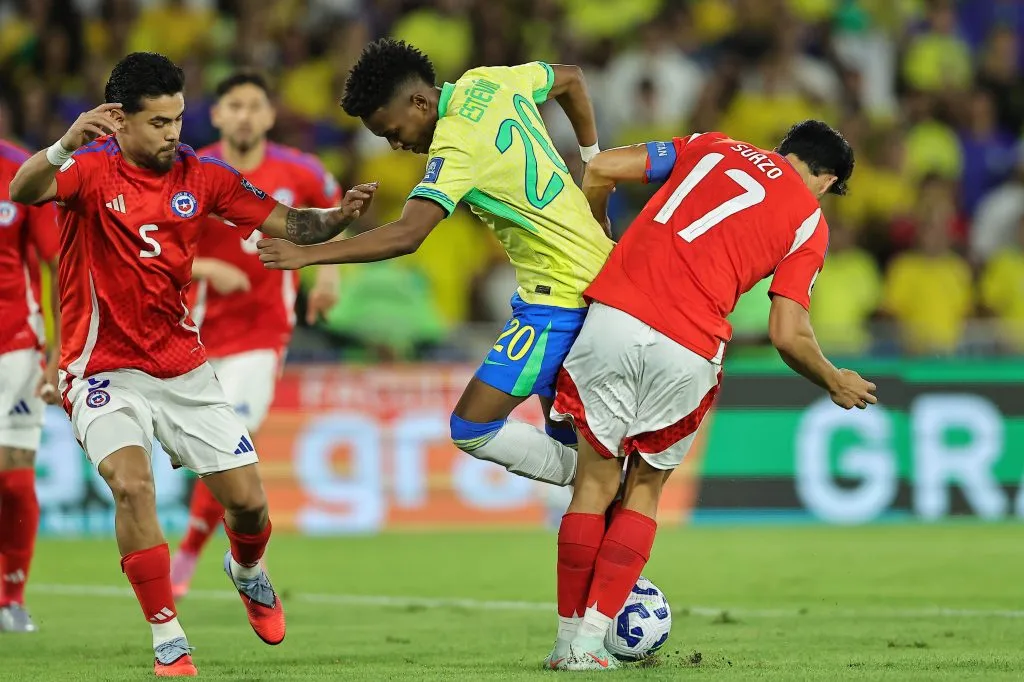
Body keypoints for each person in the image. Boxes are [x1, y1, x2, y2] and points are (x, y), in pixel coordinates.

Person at [8, 52, 374, 676]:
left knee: (250, 506)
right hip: (101, 369)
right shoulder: (88, 171)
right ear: (118, 121)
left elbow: (288, 221)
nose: (173, 133)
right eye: (158, 123)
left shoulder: (203, 176)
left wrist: (335, 219)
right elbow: (25, 190)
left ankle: (247, 568)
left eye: (179, 119)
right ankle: (167, 635)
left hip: (185, 370)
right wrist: (65, 143)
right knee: (132, 484)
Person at [545, 121, 877, 670]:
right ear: (825, 179)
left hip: (614, 316)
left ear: (783, 149)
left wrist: (600, 225)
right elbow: (787, 333)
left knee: (594, 482)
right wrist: (832, 378)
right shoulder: (809, 223)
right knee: (645, 490)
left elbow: (601, 167)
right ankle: (592, 642)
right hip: (689, 345)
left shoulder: (713, 144)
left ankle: (564, 644)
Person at [258, 39, 614, 488]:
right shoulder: (487, 80)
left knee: (472, 428)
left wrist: (307, 255)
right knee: (565, 439)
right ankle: (596, 486)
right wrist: (592, 162)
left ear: (421, 102)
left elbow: (408, 234)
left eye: (393, 130)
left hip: (560, 296)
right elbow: (571, 79)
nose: (394, 145)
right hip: (596, 274)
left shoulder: (454, 143)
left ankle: (600, 480)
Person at [170, 71, 343, 600]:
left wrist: (328, 274)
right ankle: (202, 547)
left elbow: (331, 217)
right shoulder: (190, 171)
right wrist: (207, 270)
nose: (244, 115)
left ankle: (191, 554)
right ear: (218, 115)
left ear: (269, 116)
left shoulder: (300, 171)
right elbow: (158, 246)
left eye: (254, 106)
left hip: (263, 337)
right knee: (206, 455)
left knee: (233, 445)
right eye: (234, 106)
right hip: (192, 338)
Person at [0, 138, 60, 633]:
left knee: (15, 477)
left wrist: (59, 349)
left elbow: (55, 262)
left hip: (16, 344)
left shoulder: (22, 170)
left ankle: (12, 598)